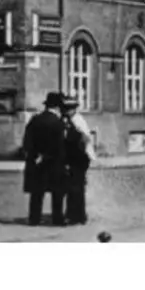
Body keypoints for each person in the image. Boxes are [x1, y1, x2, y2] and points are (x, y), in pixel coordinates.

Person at [22, 91, 69, 226]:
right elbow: (60, 146)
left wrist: (35, 156)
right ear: (58, 107)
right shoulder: (58, 123)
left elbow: (27, 142)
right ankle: (57, 219)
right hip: (54, 163)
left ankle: (34, 219)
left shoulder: (35, 120)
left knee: (37, 193)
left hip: (36, 162)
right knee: (57, 192)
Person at [61, 96, 94, 225]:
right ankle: (75, 214)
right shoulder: (71, 119)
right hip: (77, 157)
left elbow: (84, 139)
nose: (66, 111)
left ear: (74, 109)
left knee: (76, 187)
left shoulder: (77, 120)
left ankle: (77, 216)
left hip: (80, 158)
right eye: (65, 108)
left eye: (69, 109)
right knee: (75, 186)